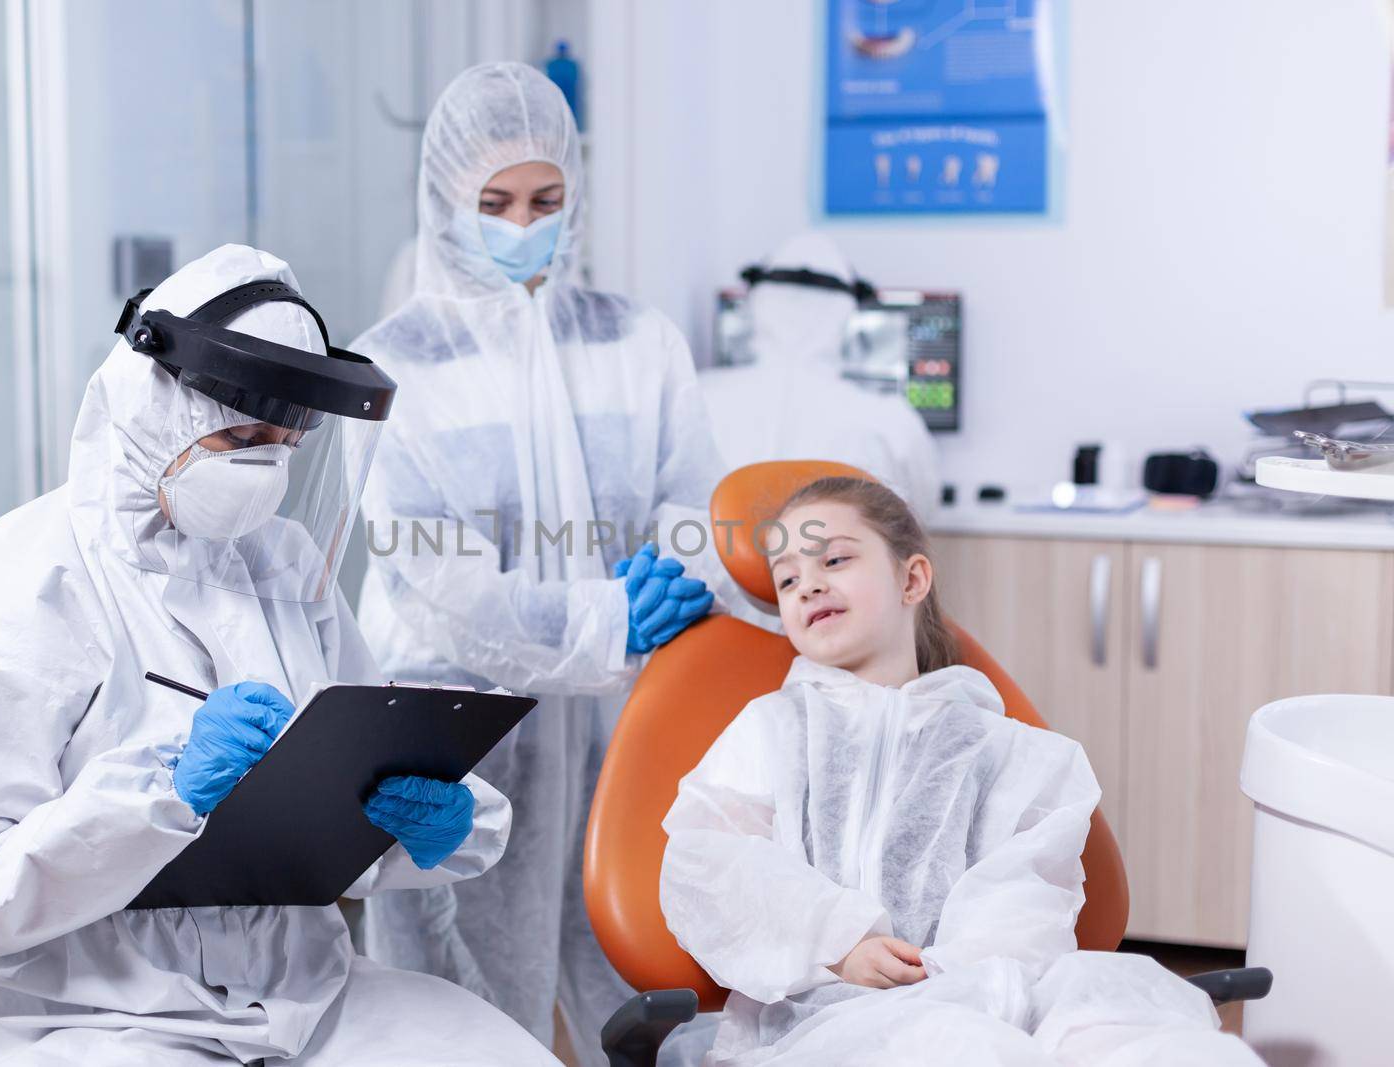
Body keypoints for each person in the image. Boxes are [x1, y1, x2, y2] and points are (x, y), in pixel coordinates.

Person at [0, 244, 560, 1066]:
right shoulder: (27, 579)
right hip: (72, 1007)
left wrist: (436, 819)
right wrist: (160, 793)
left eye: (284, 441)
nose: (264, 464)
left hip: (296, 996)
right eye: (240, 434)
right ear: (155, 400)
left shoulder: (287, 564)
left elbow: (353, 764)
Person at [351, 62, 725, 1065]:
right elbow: (446, 587)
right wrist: (606, 620)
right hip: (464, 731)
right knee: (458, 1015)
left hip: (616, 726)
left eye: (546, 200)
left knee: (643, 976)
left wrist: (676, 587)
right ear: (445, 203)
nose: (524, 223)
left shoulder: (636, 343)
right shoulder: (396, 369)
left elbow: (693, 508)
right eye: (496, 202)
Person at [658, 476, 1264, 1066]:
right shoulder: (771, 729)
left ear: (912, 577)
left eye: (834, 561)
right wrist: (838, 942)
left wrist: (958, 980)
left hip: (991, 995)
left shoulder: (1006, 751)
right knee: (961, 1049)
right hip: (819, 1018)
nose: (808, 585)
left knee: (1146, 1038)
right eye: (787, 579)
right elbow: (708, 863)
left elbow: (1024, 893)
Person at [699, 232, 940, 518]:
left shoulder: (699, 396)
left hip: (703, 561)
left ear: (757, 305)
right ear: (846, 317)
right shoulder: (890, 420)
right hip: (839, 561)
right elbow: (919, 517)